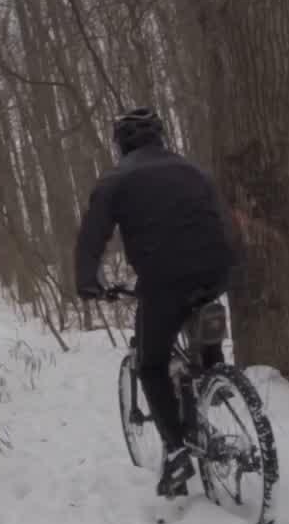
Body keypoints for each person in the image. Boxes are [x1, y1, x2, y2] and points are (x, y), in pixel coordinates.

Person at [75, 106, 245, 498]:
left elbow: (91, 239)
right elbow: (223, 222)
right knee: (198, 312)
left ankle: (176, 451)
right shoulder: (194, 171)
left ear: (121, 145)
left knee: (150, 364)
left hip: (164, 279)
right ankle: (211, 370)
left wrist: (89, 282)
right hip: (217, 270)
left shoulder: (115, 180)